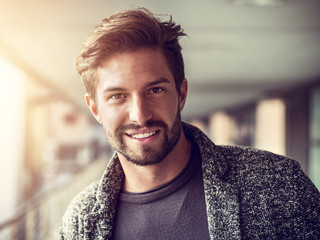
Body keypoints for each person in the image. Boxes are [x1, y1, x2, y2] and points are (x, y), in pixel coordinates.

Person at [60, 7, 320, 239]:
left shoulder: (276, 184)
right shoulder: (80, 223)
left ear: (181, 94)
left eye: (155, 90)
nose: (140, 115)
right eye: (117, 96)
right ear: (95, 109)